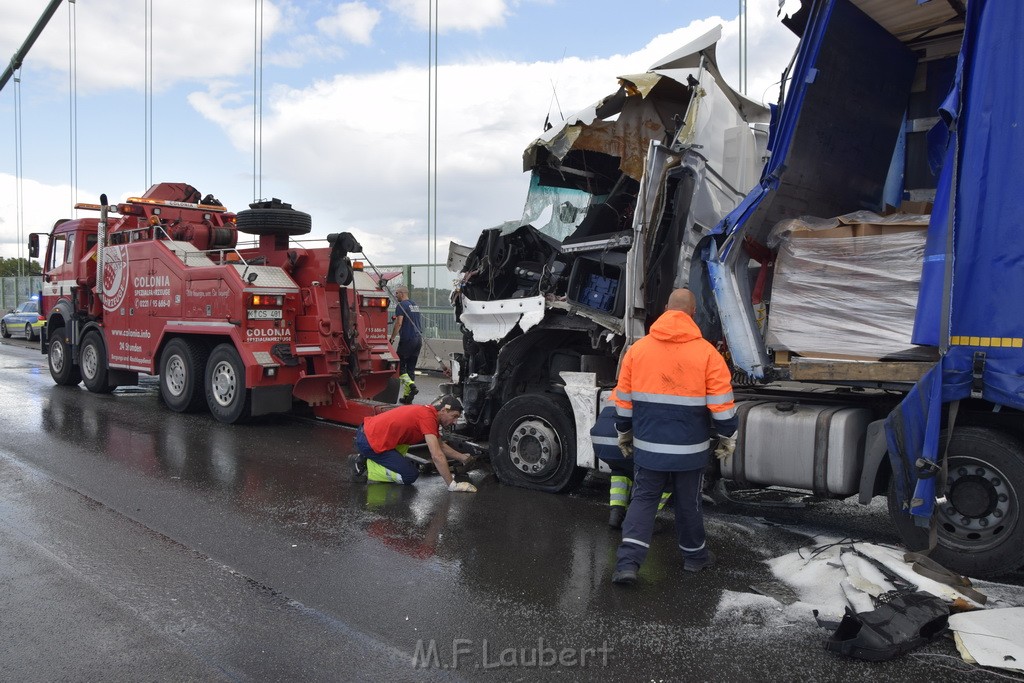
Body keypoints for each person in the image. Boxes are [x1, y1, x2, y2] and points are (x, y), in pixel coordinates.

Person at [610, 289, 738, 585]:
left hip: (649, 448)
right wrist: (727, 438)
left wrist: (624, 434)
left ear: (666, 309)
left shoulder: (637, 351)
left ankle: (627, 565)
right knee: (688, 503)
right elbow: (722, 408)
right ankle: (695, 558)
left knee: (643, 501)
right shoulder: (708, 354)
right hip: (690, 452)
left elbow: (623, 403)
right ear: (693, 314)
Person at [350, 394, 478, 492]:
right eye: (454, 416)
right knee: (409, 476)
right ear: (444, 410)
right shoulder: (428, 418)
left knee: (408, 445)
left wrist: (463, 458)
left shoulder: (428, 413)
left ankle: (366, 457)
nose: (455, 422)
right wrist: (452, 485)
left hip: (369, 432)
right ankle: (363, 463)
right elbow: (437, 455)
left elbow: (440, 445)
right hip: (369, 441)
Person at [590, 389, 672, 529]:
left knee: (621, 470)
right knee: (667, 477)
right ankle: (643, 521)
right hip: (623, 435)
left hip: (600, 440)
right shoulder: (659, 387)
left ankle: (616, 515)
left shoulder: (623, 385)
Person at [390, 286, 423, 404]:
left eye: (397, 293)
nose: (395, 295)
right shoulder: (415, 305)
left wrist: (392, 338)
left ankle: (412, 387)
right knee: (410, 368)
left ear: (403, 293)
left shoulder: (401, 306)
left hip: (407, 339)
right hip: (418, 339)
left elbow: (399, 323)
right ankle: (408, 397)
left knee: (399, 366)